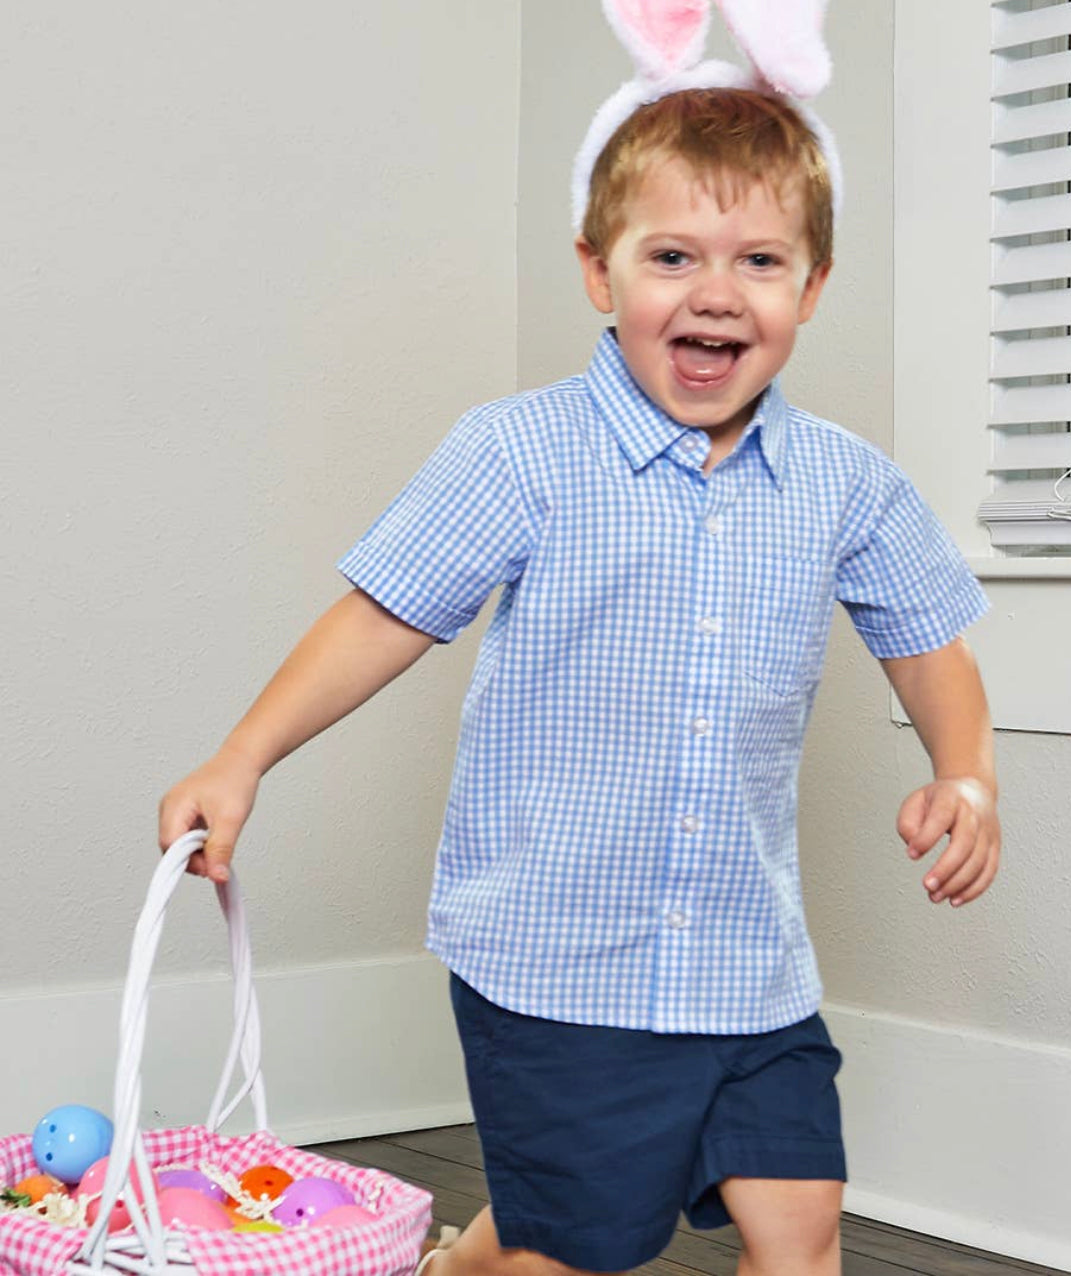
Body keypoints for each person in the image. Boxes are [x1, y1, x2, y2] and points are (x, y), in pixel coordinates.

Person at [160, 76, 999, 1276]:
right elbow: (383, 613)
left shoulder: (845, 483)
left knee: (801, 1216)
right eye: (672, 255)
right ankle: (468, 1261)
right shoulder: (522, 452)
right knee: (579, 1243)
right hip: (560, 962)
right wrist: (240, 759)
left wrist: (966, 775)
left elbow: (930, 637)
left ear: (811, 289)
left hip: (748, 963)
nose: (716, 292)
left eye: (761, 260)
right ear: (600, 274)